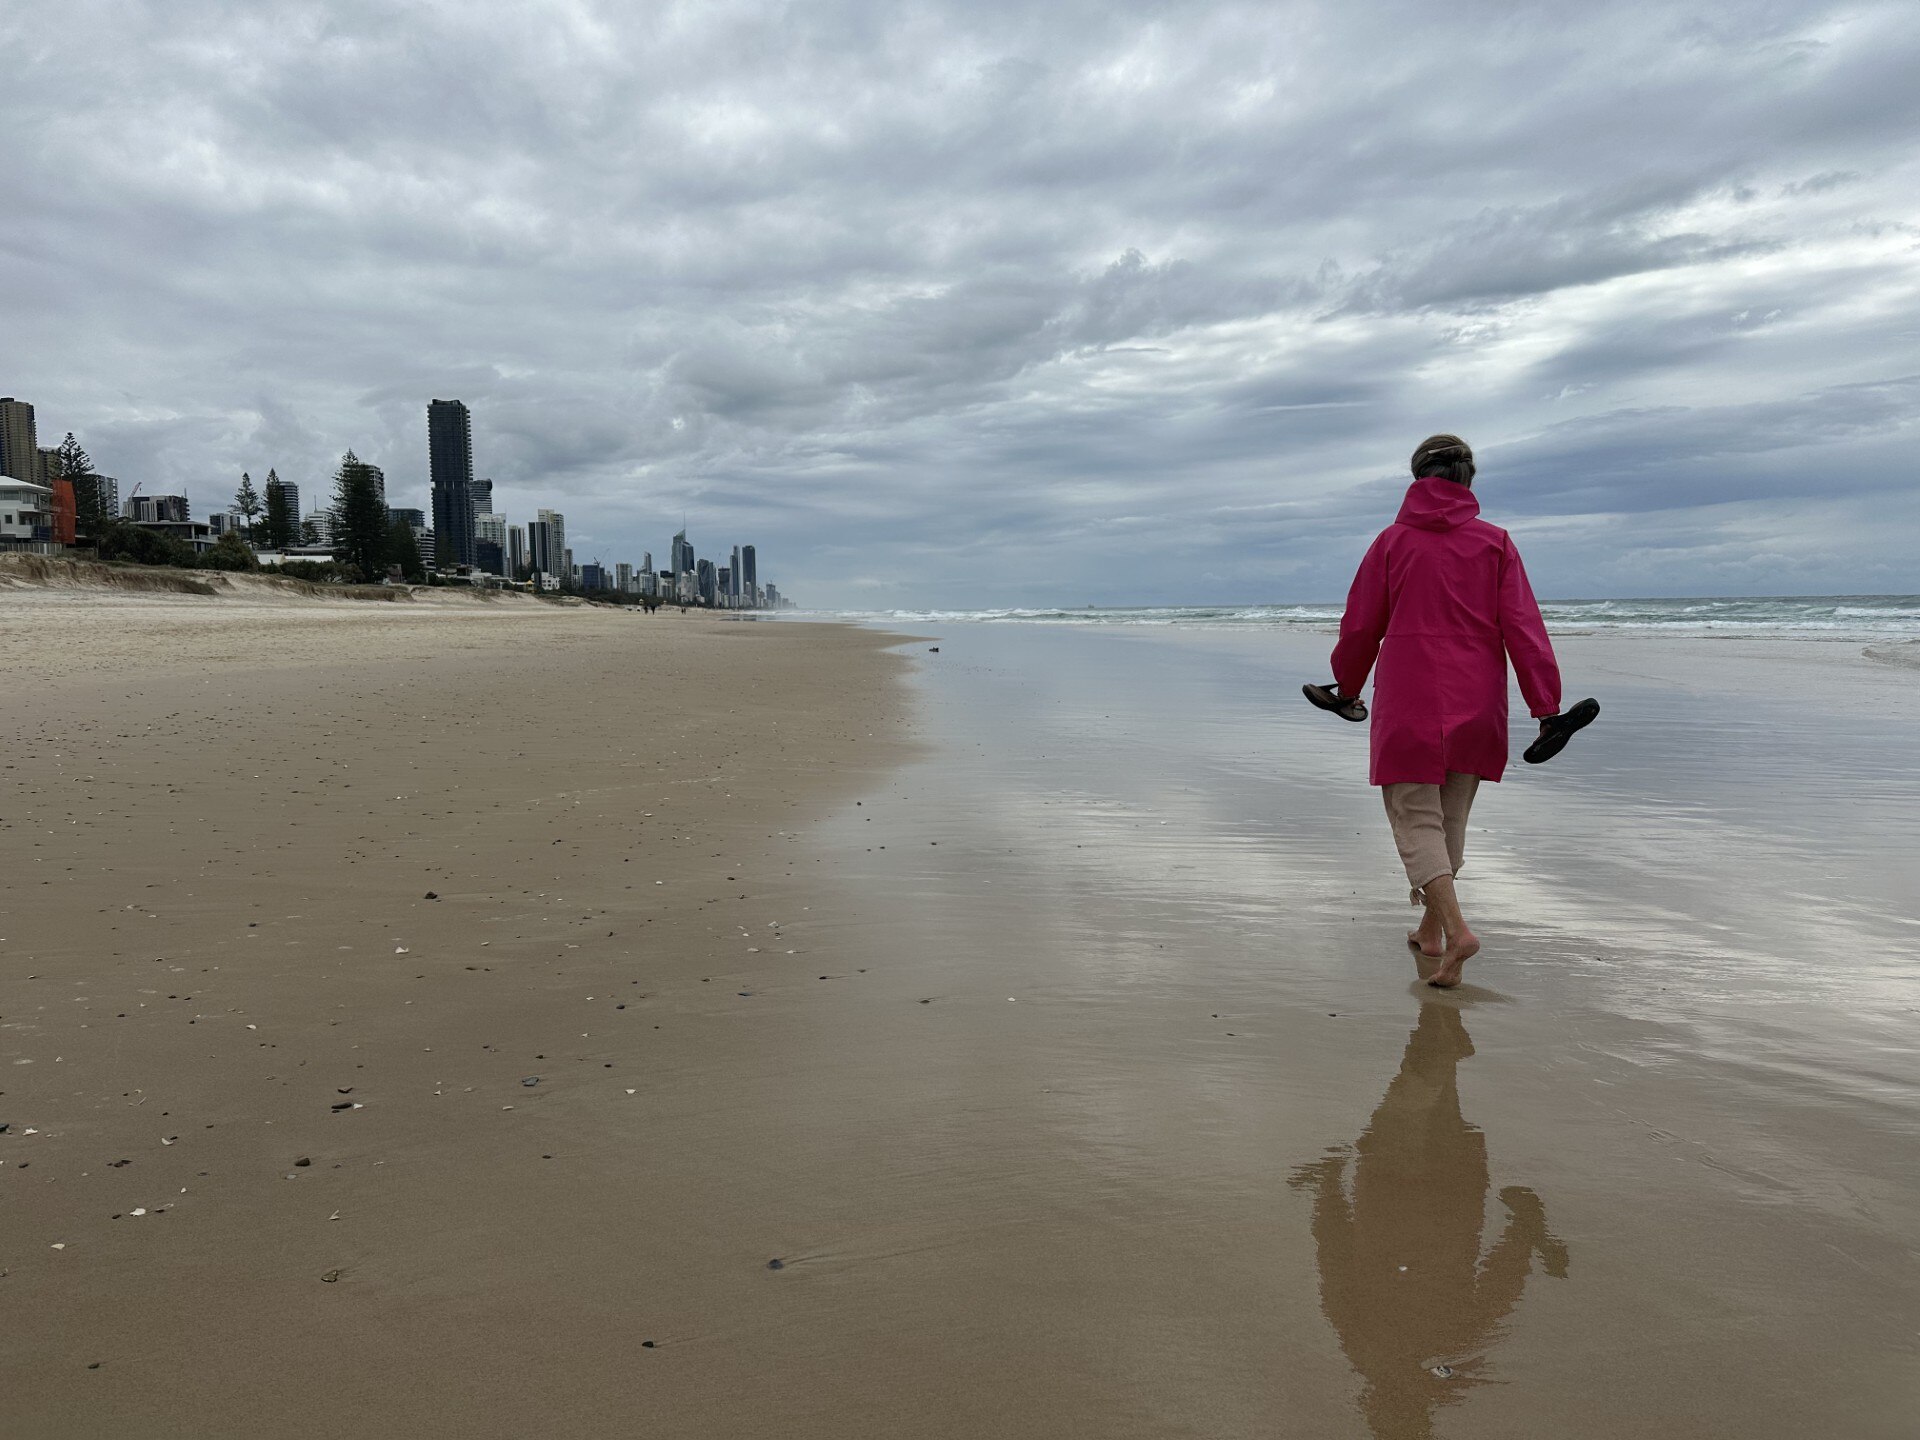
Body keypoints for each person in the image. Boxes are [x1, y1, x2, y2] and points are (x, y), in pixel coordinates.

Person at [1328, 435, 1561, 987]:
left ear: (1416, 480)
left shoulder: (1391, 543)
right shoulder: (1495, 543)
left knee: (1415, 816)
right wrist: (1544, 705)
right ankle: (1430, 934)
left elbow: (1362, 625)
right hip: (1477, 700)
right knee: (1450, 817)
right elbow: (1524, 629)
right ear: (1467, 482)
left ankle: (1457, 931)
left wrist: (1346, 687)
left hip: (1411, 698)